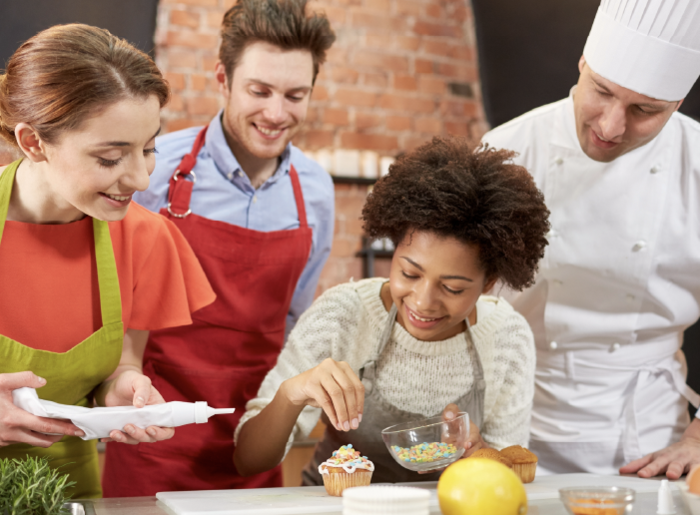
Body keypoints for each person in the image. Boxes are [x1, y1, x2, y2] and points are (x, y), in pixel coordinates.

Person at [102, 0, 336, 495]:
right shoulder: (155, 169)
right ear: (223, 80)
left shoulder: (315, 191)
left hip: (254, 437)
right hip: (155, 431)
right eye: (259, 90)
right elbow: (112, 306)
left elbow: (296, 326)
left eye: (295, 95)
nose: (276, 113)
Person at [233, 137, 550, 484]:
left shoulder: (507, 338)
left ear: (488, 283)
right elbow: (249, 460)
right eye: (409, 273)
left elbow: (511, 478)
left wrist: (480, 453)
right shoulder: (343, 315)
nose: (423, 301)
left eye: (453, 288)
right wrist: (291, 394)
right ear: (394, 249)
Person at [482, 0, 700, 478]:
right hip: (511, 422)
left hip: (650, 436)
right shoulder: (506, 151)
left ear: (678, 103)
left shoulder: (696, 164)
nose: (610, 127)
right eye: (601, 91)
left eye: (645, 110)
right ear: (583, 63)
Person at [0, 24, 216, 498]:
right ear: (33, 142)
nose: (139, 177)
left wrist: (123, 391)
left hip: (63, 489)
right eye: (110, 157)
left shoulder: (144, 237)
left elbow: (119, 366)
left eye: (148, 148)